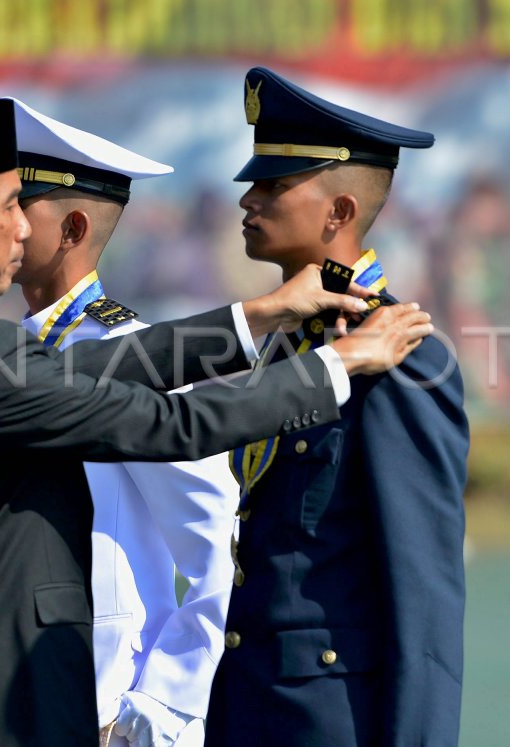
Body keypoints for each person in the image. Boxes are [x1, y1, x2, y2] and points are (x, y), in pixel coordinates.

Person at [0, 97, 434, 747]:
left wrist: (255, 315)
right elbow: (170, 421)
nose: (19, 229)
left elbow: (90, 366)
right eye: (8, 205)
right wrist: (336, 366)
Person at [205, 67, 470, 747]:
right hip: (249, 707)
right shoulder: (284, 343)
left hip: (332, 719)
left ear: (340, 212)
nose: (249, 197)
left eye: (273, 184)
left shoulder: (400, 356)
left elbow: (423, 595)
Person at [10, 98, 235, 747]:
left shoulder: (137, 358)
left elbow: (218, 546)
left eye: (17, 207)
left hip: (105, 715)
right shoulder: (6, 355)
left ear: (73, 226)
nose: (1, 225)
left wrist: (157, 707)